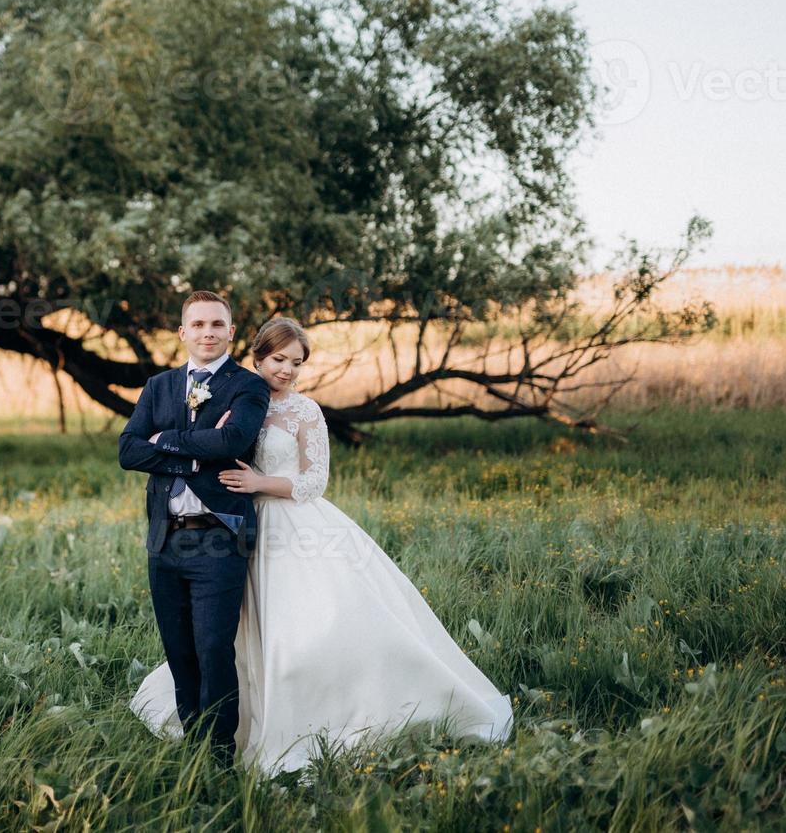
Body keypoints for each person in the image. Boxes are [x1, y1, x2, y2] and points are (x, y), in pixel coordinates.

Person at [129, 315, 514, 776]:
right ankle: (220, 730)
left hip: (291, 522)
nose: (286, 370)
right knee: (235, 634)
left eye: (296, 363)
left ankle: (318, 718)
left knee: (306, 631)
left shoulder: (303, 411)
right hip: (235, 528)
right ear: (257, 356)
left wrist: (260, 481)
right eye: (278, 359)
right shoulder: (232, 395)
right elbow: (205, 446)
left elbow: (315, 480)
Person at [118, 290, 271, 770]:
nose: (208, 333)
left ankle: (221, 759)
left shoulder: (248, 386)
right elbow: (128, 451)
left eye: (217, 325)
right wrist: (202, 449)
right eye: (199, 325)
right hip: (165, 537)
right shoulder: (158, 386)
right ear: (183, 333)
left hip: (219, 538)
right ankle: (194, 748)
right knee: (179, 650)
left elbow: (235, 439)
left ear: (231, 332)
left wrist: (167, 441)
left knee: (212, 650)